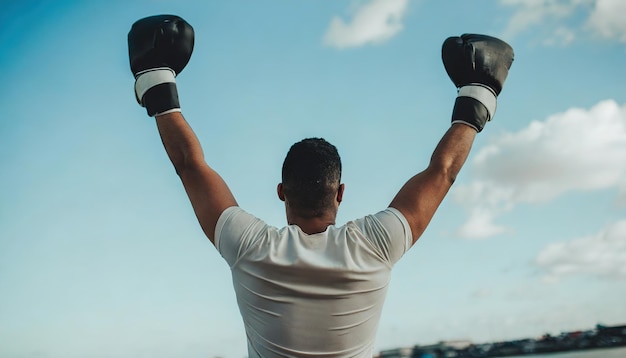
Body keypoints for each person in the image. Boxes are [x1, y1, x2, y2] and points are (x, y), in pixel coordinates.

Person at [128, 15, 514, 358]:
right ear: (340, 193)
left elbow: (189, 165)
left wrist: (157, 80)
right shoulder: (374, 245)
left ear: (282, 191)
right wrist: (478, 91)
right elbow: (442, 171)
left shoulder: (250, 247)